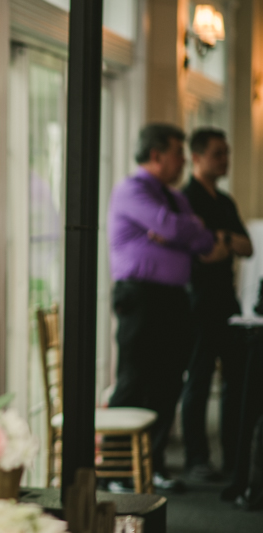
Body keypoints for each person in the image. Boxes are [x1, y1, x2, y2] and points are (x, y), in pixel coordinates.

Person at [107, 123, 219, 492]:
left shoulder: (173, 197)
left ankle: (150, 465)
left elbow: (202, 240)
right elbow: (178, 230)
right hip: (139, 297)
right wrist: (182, 229)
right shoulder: (131, 189)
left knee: (168, 383)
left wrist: (180, 229)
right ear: (157, 155)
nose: (184, 161)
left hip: (174, 300)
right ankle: (116, 472)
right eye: (177, 153)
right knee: (133, 382)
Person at [180, 128, 253, 482]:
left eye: (226, 153)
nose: (224, 160)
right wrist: (221, 243)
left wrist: (218, 237)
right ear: (197, 157)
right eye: (217, 154)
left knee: (237, 379)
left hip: (228, 300)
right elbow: (201, 253)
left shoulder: (224, 202)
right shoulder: (185, 199)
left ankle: (234, 453)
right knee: (199, 377)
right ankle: (196, 457)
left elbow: (246, 247)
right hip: (196, 300)